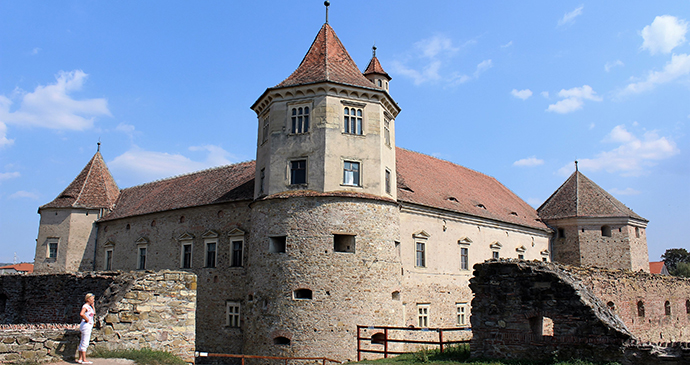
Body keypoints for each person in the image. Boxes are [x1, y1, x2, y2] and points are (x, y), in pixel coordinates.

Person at [77, 293, 95, 364]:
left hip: (88, 325)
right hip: (86, 325)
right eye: (92, 299)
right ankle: (84, 359)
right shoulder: (85, 306)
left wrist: (93, 307)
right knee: (85, 342)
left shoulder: (89, 307)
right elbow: (81, 313)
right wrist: (87, 319)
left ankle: (80, 358)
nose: (93, 300)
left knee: (82, 341)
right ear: (88, 299)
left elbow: (94, 313)